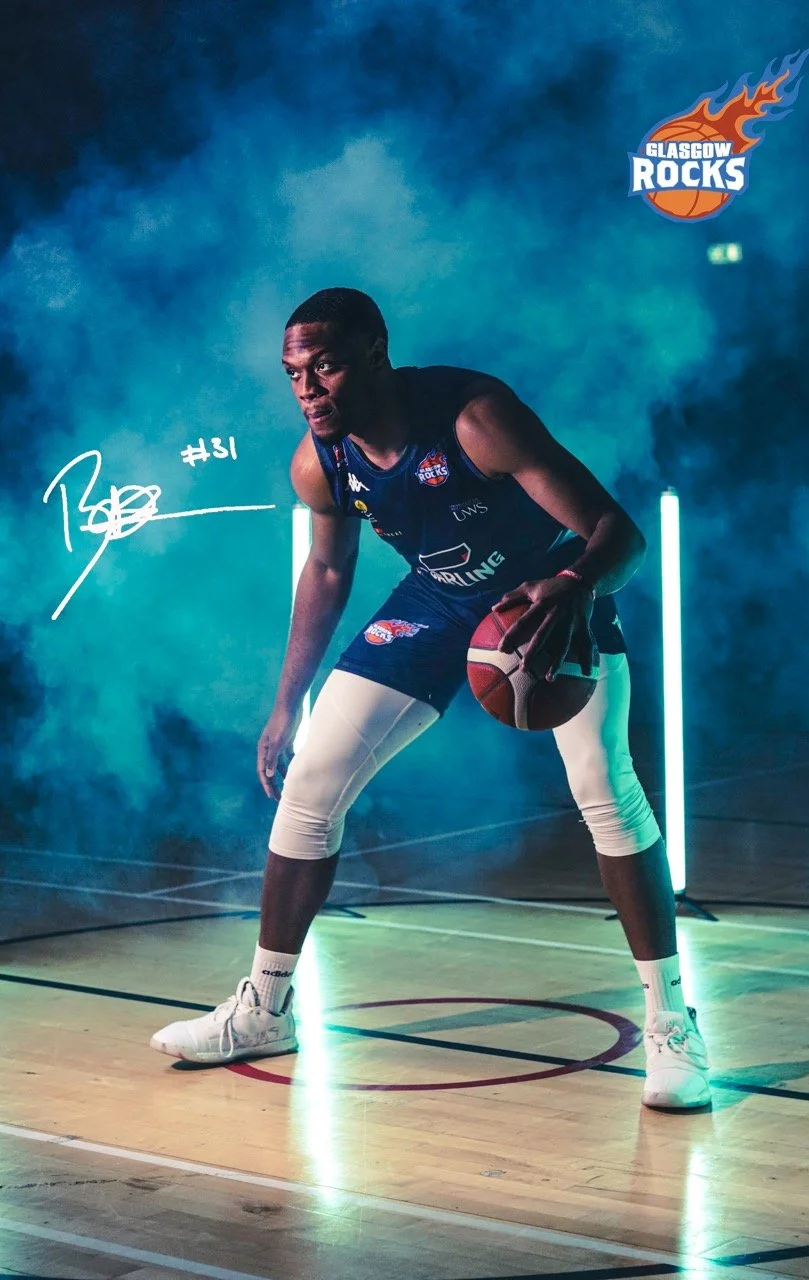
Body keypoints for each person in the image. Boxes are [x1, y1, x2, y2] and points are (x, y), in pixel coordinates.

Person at [151, 287, 710, 1110]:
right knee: (310, 786)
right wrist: (285, 703)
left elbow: (615, 533)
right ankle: (264, 1009)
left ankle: (672, 1025)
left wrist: (572, 587)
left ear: (376, 353)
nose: (307, 389)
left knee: (604, 789)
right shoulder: (319, 459)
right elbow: (330, 570)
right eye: (293, 373)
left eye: (326, 366)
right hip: (441, 601)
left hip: (542, 597)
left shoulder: (474, 420)